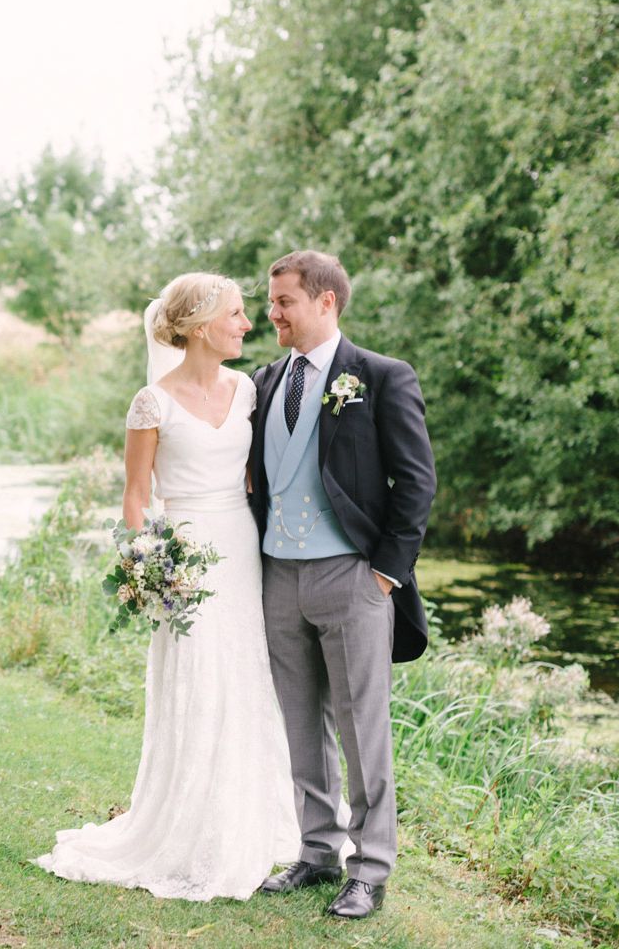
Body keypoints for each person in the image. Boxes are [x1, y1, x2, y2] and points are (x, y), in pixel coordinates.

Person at [34, 272, 299, 901]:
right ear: (204, 326)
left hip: (241, 546)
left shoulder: (248, 392)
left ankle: (259, 822)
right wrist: (148, 567)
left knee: (246, 675)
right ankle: (190, 830)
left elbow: (261, 476)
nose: (247, 324)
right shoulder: (151, 402)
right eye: (236, 314)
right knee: (198, 678)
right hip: (185, 554)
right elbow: (135, 493)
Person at [250, 250, 436, 920]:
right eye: (270, 302)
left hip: (353, 577)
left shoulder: (382, 377)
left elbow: (416, 481)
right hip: (278, 576)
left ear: (325, 302)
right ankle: (317, 850)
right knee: (301, 724)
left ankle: (372, 866)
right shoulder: (265, 381)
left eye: (284, 302)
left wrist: (385, 571)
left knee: (363, 728)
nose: (272, 313)